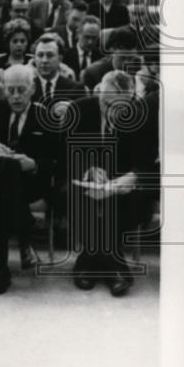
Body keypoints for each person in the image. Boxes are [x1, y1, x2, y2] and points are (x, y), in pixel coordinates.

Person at [0, 64, 61, 296]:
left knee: (10, 173)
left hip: (30, 184)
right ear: (3, 89)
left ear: (32, 89)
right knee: (5, 172)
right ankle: (24, 229)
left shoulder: (46, 116)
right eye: (10, 90)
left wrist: (32, 163)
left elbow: (56, 158)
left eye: (21, 90)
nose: (15, 96)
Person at [64, 71, 152, 296]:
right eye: (106, 103)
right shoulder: (78, 109)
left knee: (134, 201)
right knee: (77, 197)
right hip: (83, 184)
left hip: (122, 188)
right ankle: (115, 266)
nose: (112, 112)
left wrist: (126, 179)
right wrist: (87, 170)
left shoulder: (140, 116)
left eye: (120, 106)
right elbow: (62, 155)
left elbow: (145, 162)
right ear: (98, 93)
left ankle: (88, 261)